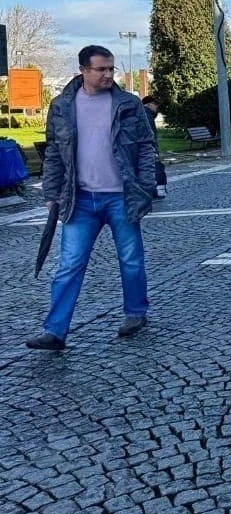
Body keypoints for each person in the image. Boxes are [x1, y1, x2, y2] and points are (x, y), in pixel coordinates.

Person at [26, 45, 157, 351]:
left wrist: (146, 185)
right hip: (80, 198)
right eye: (101, 69)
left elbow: (147, 145)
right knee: (69, 264)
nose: (108, 75)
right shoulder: (62, 106)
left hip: (121, 197)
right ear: (83, 70)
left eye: (111, 69)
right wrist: (51, 193)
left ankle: (136, 313)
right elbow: (55, 153)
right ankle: (55, 330)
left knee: (131, 259)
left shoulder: (128, 103)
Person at [142, 95, 167, 199]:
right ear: (148, 105)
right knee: (157, 169)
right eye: (155, 104)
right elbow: (149, 134)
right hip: (148, 148)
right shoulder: (146, 115)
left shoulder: (145, 114)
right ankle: (157, 191)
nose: (157, 106)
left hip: (143, 148)